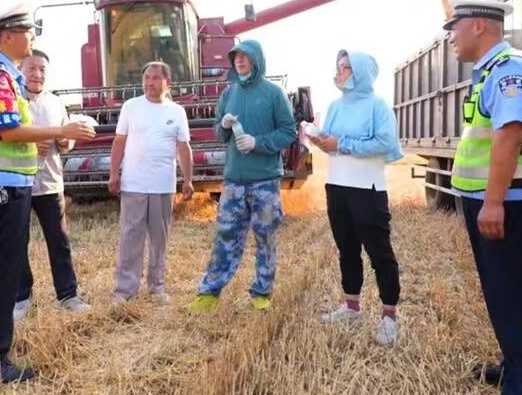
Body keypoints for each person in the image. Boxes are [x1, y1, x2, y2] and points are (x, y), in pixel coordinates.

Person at [0, 4, 95, 383]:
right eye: (29, 30)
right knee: (0, 271)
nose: (34, 36)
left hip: (11, 185)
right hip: (3, 187)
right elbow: (8, 131)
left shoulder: (6, 75)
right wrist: (61, 131)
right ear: (8, 35)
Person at [445, 0, 522, 395]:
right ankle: (516, 368)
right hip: (499, 200)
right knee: (503, 295)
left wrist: (493, 203)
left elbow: (509, 136)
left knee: (517, 301)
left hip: (511, 203)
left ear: (478, 26)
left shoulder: (511, 70)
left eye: (454, 28)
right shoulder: (491, 72)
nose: (450, 38)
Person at [188, 39, 297, 313]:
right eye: (235, 57)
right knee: (225, 236)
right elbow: (218, 133)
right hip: (234, 180)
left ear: (256, 60)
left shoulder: (274, 93)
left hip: (264, 180)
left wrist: (257, 142)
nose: (239, 60)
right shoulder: (228, 95)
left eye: (244, 56)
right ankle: (209, 294)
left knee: (265, 238)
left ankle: (262, 292)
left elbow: (288, 132)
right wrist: (223, 126)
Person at [309, 50, 404, 346]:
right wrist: (317, 139)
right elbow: (331, 141)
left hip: (368, 188)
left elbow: (385, 142)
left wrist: (343, 144)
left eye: (345, 68)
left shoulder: (378, 106)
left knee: (380, 254)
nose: (338, 72)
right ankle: (351, 306)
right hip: (337, 186)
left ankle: (389, 316)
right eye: (337, 67)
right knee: (346, 249)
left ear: (361, 71)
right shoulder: (334, 105)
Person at [12, 49, 91, 322]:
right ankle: (22, 297)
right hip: (19, 182)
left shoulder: (56, 103)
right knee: (17, 243)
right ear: (20, 69)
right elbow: (4, 136)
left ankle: (68, 294)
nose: (37, 74)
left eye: (42, 69)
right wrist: (30, 145)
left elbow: (66, 143)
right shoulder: (12, 102)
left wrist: (64, 140)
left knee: (59, 241)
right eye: (32, 68)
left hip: (50, 183)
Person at [109, 61, 194, 305]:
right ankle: (124, 291)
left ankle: (157, 287)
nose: (150, 83)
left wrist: (188, 180)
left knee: (159, 238)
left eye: (156, 78)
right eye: (147, 77)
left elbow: (183, 147)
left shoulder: (176, 111)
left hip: (162, 186)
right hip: (134, 184)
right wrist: (114, 173)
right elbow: (119, 141)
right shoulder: (131, 107)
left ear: (168, 83)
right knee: (130, 237)